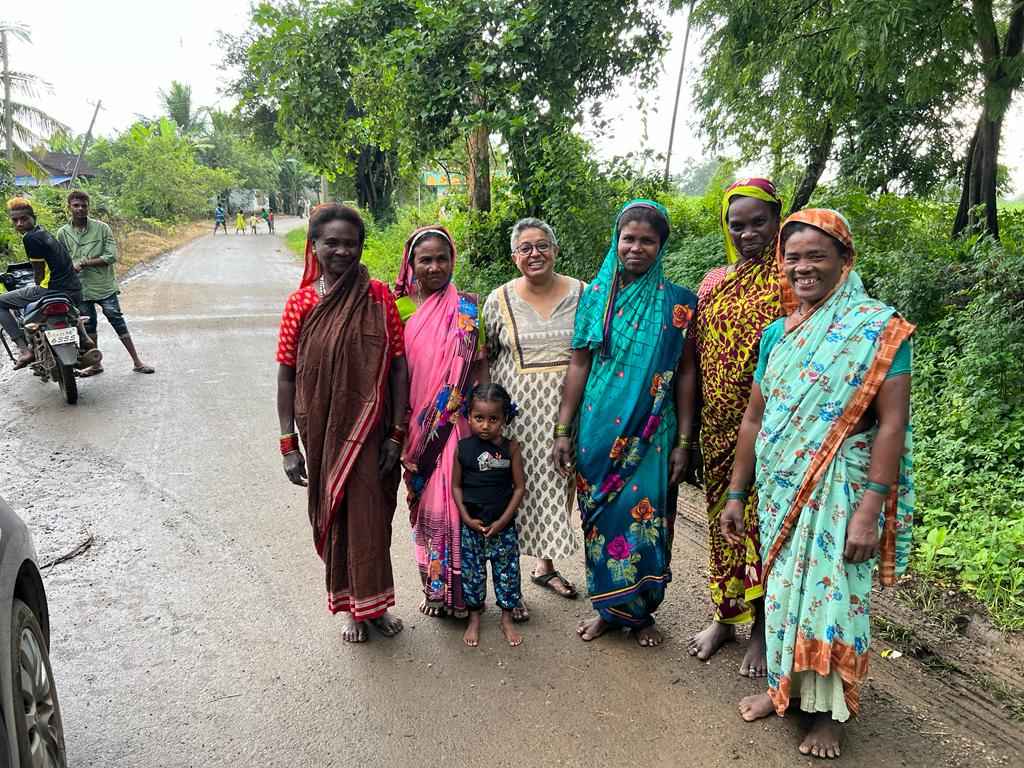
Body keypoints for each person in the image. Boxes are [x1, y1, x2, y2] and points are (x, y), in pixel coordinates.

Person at [722, 209, 914, 758]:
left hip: (840, 489)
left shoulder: (878, 329)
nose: (802, 268)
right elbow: (755, 418)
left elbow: (891, 423)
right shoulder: (777, 335)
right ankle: (782, 691)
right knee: (783, 593)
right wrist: (738, 492)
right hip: (781, 488)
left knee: (833, 599)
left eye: (816, 257)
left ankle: (831, 714)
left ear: (844, 261)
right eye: (793, 258)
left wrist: (870, 507)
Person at [552, 199, 698, 647]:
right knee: (600, 520)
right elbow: (579, 364)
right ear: (616, 242)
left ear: (661, 246)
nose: (636, 248)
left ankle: (640, 613)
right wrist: (563, 429)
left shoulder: (679, 304)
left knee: (646, 520)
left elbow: (687, 372)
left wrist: (685, 441)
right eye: (628, 239)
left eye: (647, 241)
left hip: (654, 431)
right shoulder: (596, 297)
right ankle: (605, 609)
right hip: (598, 429)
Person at [275, 203, 408, 644]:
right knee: (337, 515)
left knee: (372, 517)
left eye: (351, 243)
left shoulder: (378, 296)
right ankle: (351, 606)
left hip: (373, 429)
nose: (342, 251)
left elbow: (397, 366)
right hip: (321, 430)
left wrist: (396, 433)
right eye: (332, 242)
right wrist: (288, 444)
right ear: (314, 245)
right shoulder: (300, 303)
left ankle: (378, 604)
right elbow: (287, 373)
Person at [688, 179, 784, 675]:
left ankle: (763, 630)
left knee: (762, 529)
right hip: (717, 430)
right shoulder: (713, 283)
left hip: (773, 434)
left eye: (758, 222)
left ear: (778, 218)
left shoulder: (793, 280)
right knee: (721, 524)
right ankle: (724, 618)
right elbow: (696, 360)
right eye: (737, 224)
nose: (747, 233)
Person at [482, 217, 583, 622]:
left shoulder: (583, 293)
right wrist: (487, 415)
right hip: (518, 415)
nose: (535, 254)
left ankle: (546, 568)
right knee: (515, 492)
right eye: (525, 248)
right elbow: (483, 356)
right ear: (514, 257)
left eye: (542, 245)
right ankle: (510, 586)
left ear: (556, 250)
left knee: (560, 489)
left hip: (567, 411)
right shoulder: (498, 299)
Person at [395, 225, 487, 619]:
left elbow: (478, 368)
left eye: (442, 258)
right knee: (424, 507)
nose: (434, 267)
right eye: (425, 260)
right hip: (415, 429)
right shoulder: (398, 309)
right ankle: (434, 588)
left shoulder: (467, 309)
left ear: (453, 261)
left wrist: (483, 424)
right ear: (411, 264)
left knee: (454, 503)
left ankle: (461, 591)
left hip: (457, 425)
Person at [452, 383, 526, 648]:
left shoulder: (511, 448)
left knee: (507, 573)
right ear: (468, 417)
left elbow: (519, 488)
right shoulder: (463, 448)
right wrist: (466, 518)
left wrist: (504, 520)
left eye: (493, 419)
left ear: (505, 418)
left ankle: (507, 619)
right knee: (472, 575)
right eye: (478, 418)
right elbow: (456, 486)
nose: (485, 425)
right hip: (472, 527)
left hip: (502, 527)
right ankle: (474, 618)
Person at [56, 190, 155, 376]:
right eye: (76, 205)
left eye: (84, 205)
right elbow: (62, 260)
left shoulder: (102, 228)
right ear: (69, 207)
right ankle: (95, 364)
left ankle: (137, 362)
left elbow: (111, 256)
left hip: (103, 286)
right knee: (88, 326)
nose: (80, 209)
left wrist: (84, 263)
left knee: (116, 319)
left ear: (88, 207)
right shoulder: (62, 233)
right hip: (79, 288)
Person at [1, 197, 100, 370]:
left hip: (52, 290)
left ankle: (24, 350)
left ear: (33, 217)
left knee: (1, 302)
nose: (19, 224)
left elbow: (38, 272)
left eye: (24, 219)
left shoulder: (30, 238)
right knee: (70, 311)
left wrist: (37, 286)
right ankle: (83, 336)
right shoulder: (45, 233)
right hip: (75, 290)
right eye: (15, 220)